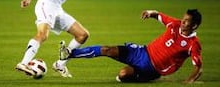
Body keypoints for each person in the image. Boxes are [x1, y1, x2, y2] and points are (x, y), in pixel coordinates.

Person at [15, 0, 106, 78]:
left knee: (82, 35)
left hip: (57, 9)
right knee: (43, 34)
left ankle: (60, 64)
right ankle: (24, 63)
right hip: (45, 4)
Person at [65, 9, 203, 83]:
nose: (182, 22)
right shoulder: (175, 23)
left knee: (123, 75)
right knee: (107, 50)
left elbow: (198, 66)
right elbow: (158, 15)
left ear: (194, 25)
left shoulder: (193, 43)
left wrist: (190, 80)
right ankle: (70, 53)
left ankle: (147, 78)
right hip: (143, 52)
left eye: (186, 21)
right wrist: (150, 13)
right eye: (183, 19)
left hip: (151, 68)